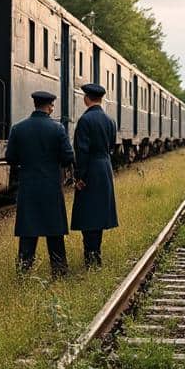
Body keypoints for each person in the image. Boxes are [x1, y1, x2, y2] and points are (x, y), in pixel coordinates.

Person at [6, 90, 74, 276]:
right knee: (55, 232)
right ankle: (59, 271)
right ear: (50, 107)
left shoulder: (18, 129)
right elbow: (68, 157)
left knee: (28, 231)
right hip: (51, 187)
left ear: (35, 105)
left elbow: (10, 157)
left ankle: (24, 272)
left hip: (28, 187)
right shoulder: (58, 129)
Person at [71, 83, 118, 269]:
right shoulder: (109, 120)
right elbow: (111, 146)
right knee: (98, 214)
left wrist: (79, 176)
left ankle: (90, 257)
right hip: (105, 168)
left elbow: (82, 150)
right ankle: (96, 254)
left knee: (87, 214)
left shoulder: (85, 120)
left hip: (90, 169)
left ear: (86, 98)